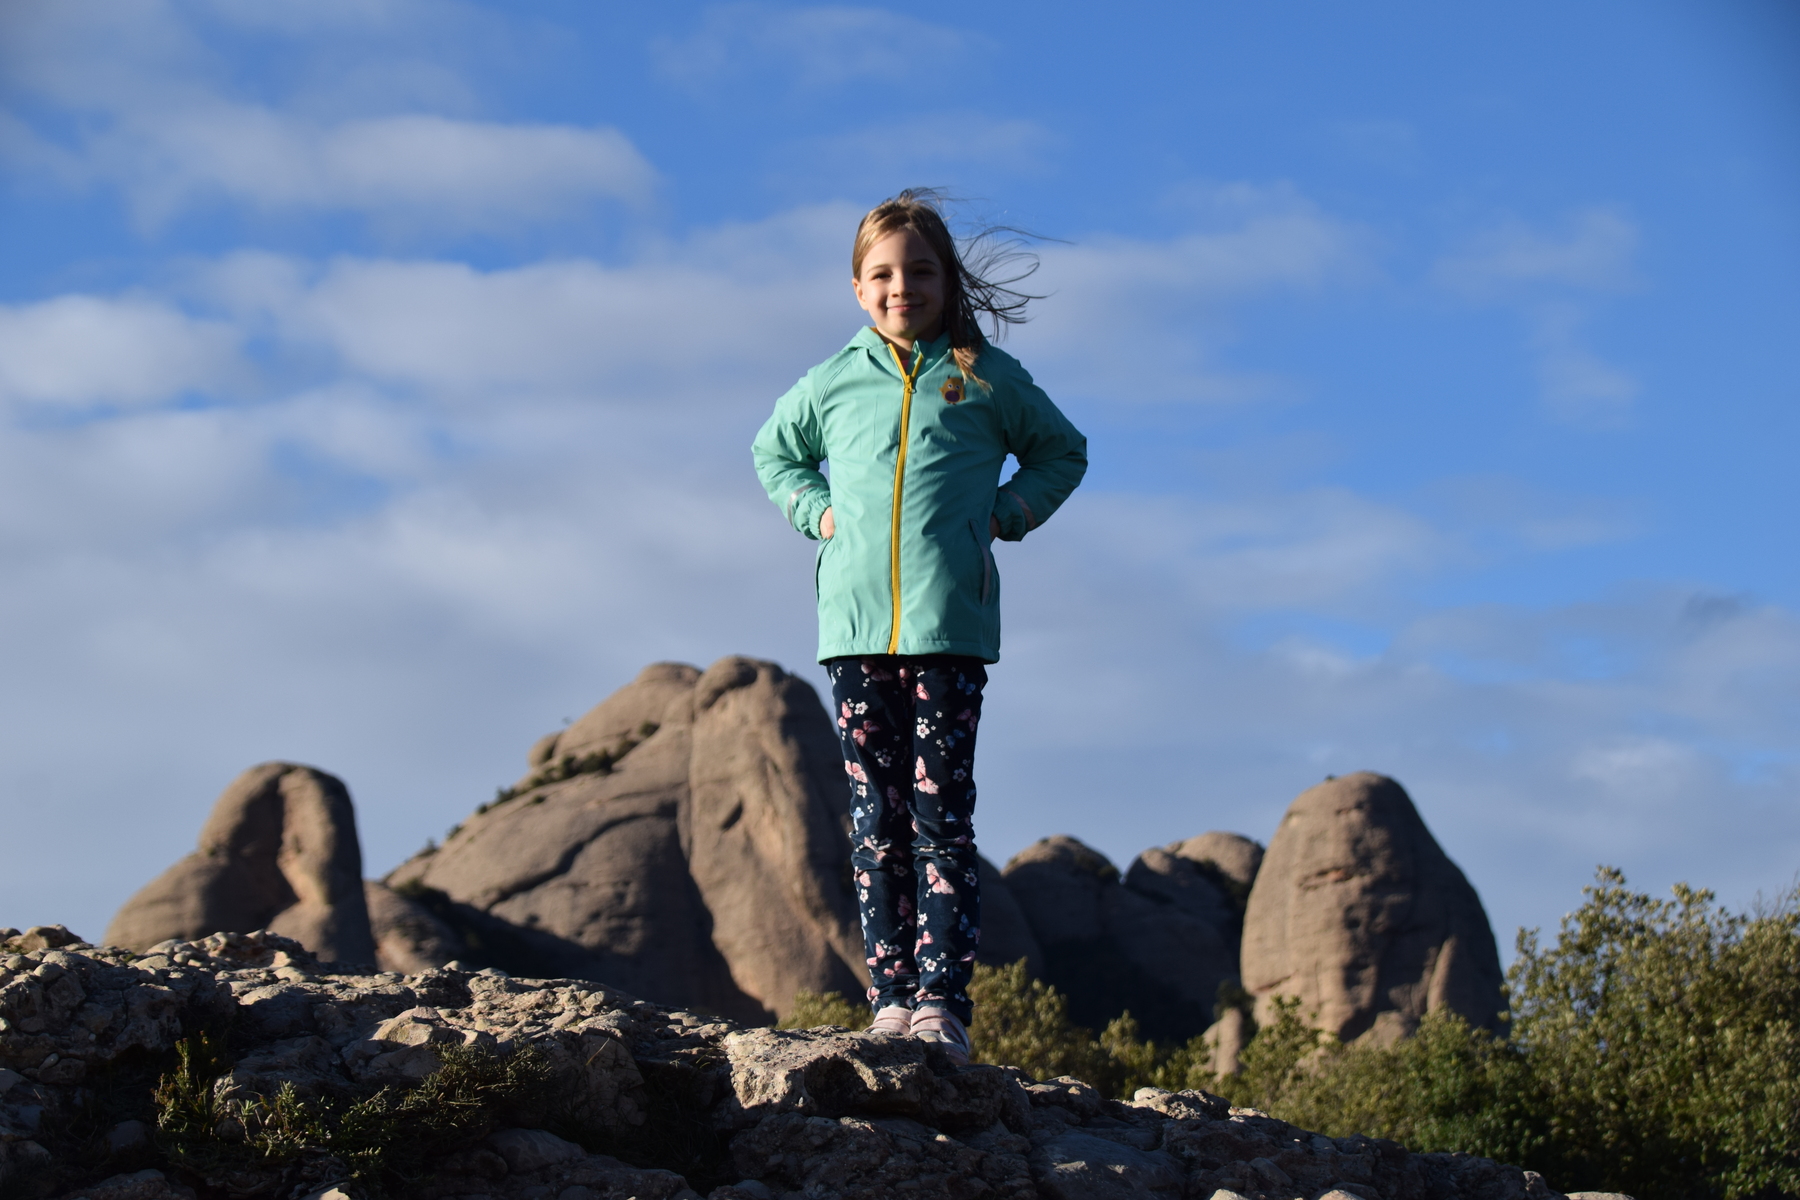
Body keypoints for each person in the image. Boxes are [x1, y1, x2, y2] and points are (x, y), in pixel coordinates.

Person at [752, 189, 1087, 1065]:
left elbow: (1063, 450)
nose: (902, 287)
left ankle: (942, 1002)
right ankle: (891, 999)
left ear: (946, 282)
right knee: (875, 820)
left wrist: (1008, 514)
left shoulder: (984, 376)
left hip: (949, 631)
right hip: (855, 633)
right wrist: (816, 512)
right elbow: (772, 452)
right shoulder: (831, 380)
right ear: (858, 289)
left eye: (921, 271)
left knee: (940, 818)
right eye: (884, 274)